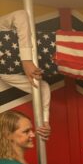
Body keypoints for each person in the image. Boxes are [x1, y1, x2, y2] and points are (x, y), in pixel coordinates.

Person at [0, 11, 51, 140]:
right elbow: (42, 88)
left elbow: (21, 15)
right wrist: (45, 121)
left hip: (67, 41)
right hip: (69, 68)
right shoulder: (5, 74)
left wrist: (26, 60)